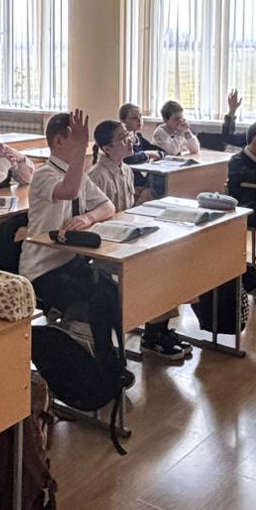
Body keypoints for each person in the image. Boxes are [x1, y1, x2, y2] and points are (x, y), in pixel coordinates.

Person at [21, 111, 123, 377]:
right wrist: (80, 152)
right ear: (58, 142)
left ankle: (111, 360)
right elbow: (68, 191)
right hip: (43, 268)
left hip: (70, 260)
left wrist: (87, 218)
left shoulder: (78, 175)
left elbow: (107, 206)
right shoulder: (44, 174)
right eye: (76, 140)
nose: (83, 147)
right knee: (96, 300)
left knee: (112, 291)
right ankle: (100, 368)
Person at [89, 120, 186, 361]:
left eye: (128, 135)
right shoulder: (95, 177)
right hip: (107, 248)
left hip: (128, 239)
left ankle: (159, 329)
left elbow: (129, 209)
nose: (130, 141)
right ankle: (152, 336)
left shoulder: (126, 170)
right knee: (155, 269)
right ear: (107, 148)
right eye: (122, 138)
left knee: (168, 259)